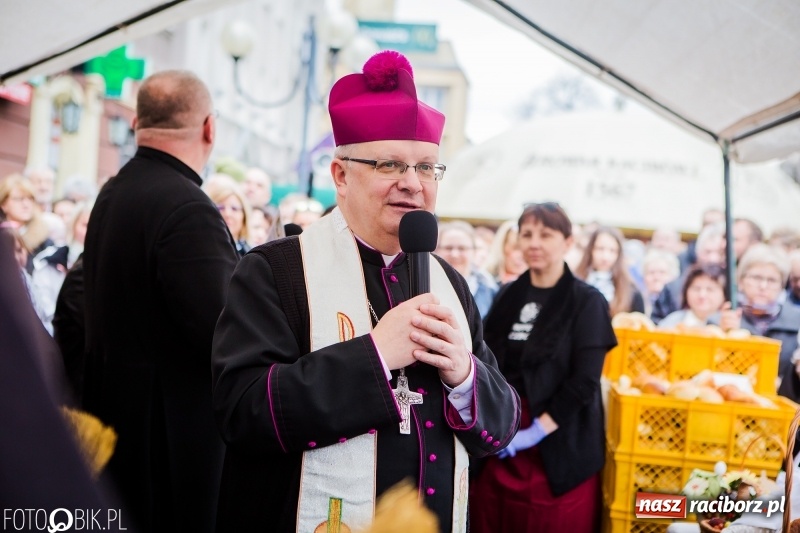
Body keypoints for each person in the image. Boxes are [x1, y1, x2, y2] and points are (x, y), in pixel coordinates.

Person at [211, 50, 520, 533]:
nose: (413, 185)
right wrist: (374, 356)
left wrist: (464, 376)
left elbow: (498, 428)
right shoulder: (275, 271)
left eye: (427, 168)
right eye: (390, 165)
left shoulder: (451, 283)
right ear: (340, 174)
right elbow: (242, 412)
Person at [82, 70, 238, 533]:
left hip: (114, 425)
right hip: (169, 447)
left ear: (135, 122)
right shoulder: (188, 208)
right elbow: (225, 330)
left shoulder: (114, 191)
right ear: (209, 128)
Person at [470, 203, 616, 533]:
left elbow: (585, 381)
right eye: (527, 234)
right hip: (502, 438)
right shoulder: (508, 294)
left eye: (545, 235)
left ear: (567, 242)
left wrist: (535, 432)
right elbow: (485, 360)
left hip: (558, 441)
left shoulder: (587, 301)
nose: (534, 243)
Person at [717, 244, 800, 401]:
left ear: (782, 286)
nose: (763, 286)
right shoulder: (722, 319)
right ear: (741, 281)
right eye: (756, 278)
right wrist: (723, 335)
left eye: (772, 280)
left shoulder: (797, 323)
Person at [651, 222, 726, 323]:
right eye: (708, 252)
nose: (713, 258)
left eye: (719, 253)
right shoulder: (674, 289)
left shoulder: (733, 290)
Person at [575, 226, 645, 316]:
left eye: (612, 251)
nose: (605, 257)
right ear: (590, 250)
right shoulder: (574, 285)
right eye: (600, 249)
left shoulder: (631, 292)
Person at [436, 220, 499, 318]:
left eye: (462, 248)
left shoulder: (490, 290)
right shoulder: (425, 285)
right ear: (437, 250)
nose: (455, 254)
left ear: (473, 252)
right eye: (448, 248)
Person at [0, 173, 52, 266]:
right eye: (19, 199)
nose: (26, 204)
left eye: (30, 199)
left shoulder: (44, 242)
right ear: (3, 204)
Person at [658, 264, 731, 329]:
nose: (702, 295)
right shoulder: (672, 322)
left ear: (724, 294)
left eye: (710, 289)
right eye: (696, 288)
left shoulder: (731, 324)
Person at [208, 185, 252, 257]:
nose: (227, 214)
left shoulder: (250, 256)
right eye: (220, 208)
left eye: (234, 208)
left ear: (244, 216)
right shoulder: (202, 247)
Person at [484, 220, 527, 285]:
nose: (522, 255)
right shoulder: (486, 282)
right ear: (502, 247)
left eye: (526, 249)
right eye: (516, 248)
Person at [642, 249, 680, 316]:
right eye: (651, 272)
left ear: (674, 277)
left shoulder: (679, 303)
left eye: (662, 272)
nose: (656, 277)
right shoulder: (639, 300)